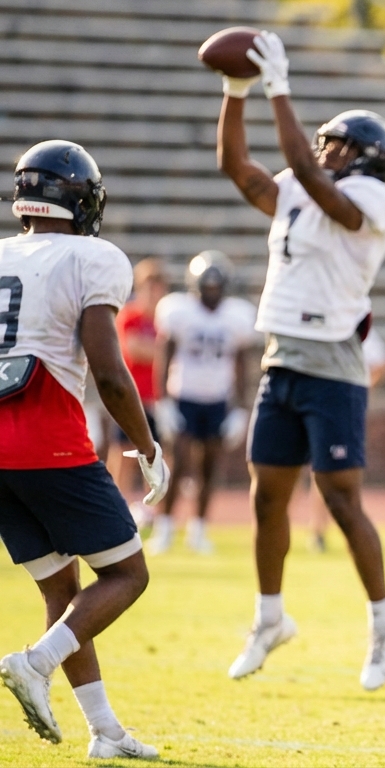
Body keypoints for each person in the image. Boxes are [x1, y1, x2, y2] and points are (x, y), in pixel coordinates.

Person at [215, 30, 385, 690]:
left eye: (336, 144)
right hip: (281, 358)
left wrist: (279, 87)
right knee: (265, 498)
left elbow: (318, 181)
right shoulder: (302, 183)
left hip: (333, 365)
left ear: (365, 155)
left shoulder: (375, 199)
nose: (323, 150)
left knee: (341, 500)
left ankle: (383, 622)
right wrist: (236, 91)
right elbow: (240, 170)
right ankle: (270, 617)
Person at [0, 140, 169, 759]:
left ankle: (104, 732)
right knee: (127, 573)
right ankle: (33, 664)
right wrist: (147, 446)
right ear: (80, 199)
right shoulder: (93, 256)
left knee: (61, 592)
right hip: (48, 437)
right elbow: (109, 368)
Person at [148, 250, 257, 555]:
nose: (211, 293)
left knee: (210, 466)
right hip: (184, 397)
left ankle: (198, 529)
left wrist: (239, 408)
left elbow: (240, 362)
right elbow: (164, 353)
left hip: (217, 400)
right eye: (206, 287)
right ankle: (165, 528)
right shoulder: (179, 311)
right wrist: (163, 402)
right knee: (179, 462)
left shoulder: (235, 315)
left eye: (215, 287)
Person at [309, 330, 385, 553]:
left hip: (341, 412)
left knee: (335, 473)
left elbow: (383, 363)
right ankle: (318, 531)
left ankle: (331, 531)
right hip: (313, 406)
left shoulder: (356, 330)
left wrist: (360, 392)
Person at [109, 257, 166, 522]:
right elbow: (134, 349)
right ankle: (115, 504)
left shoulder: (165, 319)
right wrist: (161, 353)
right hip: (131, 396)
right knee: (123, 453)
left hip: (158, 399)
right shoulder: (130, 314)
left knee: (156, 455)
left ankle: (152, 509)